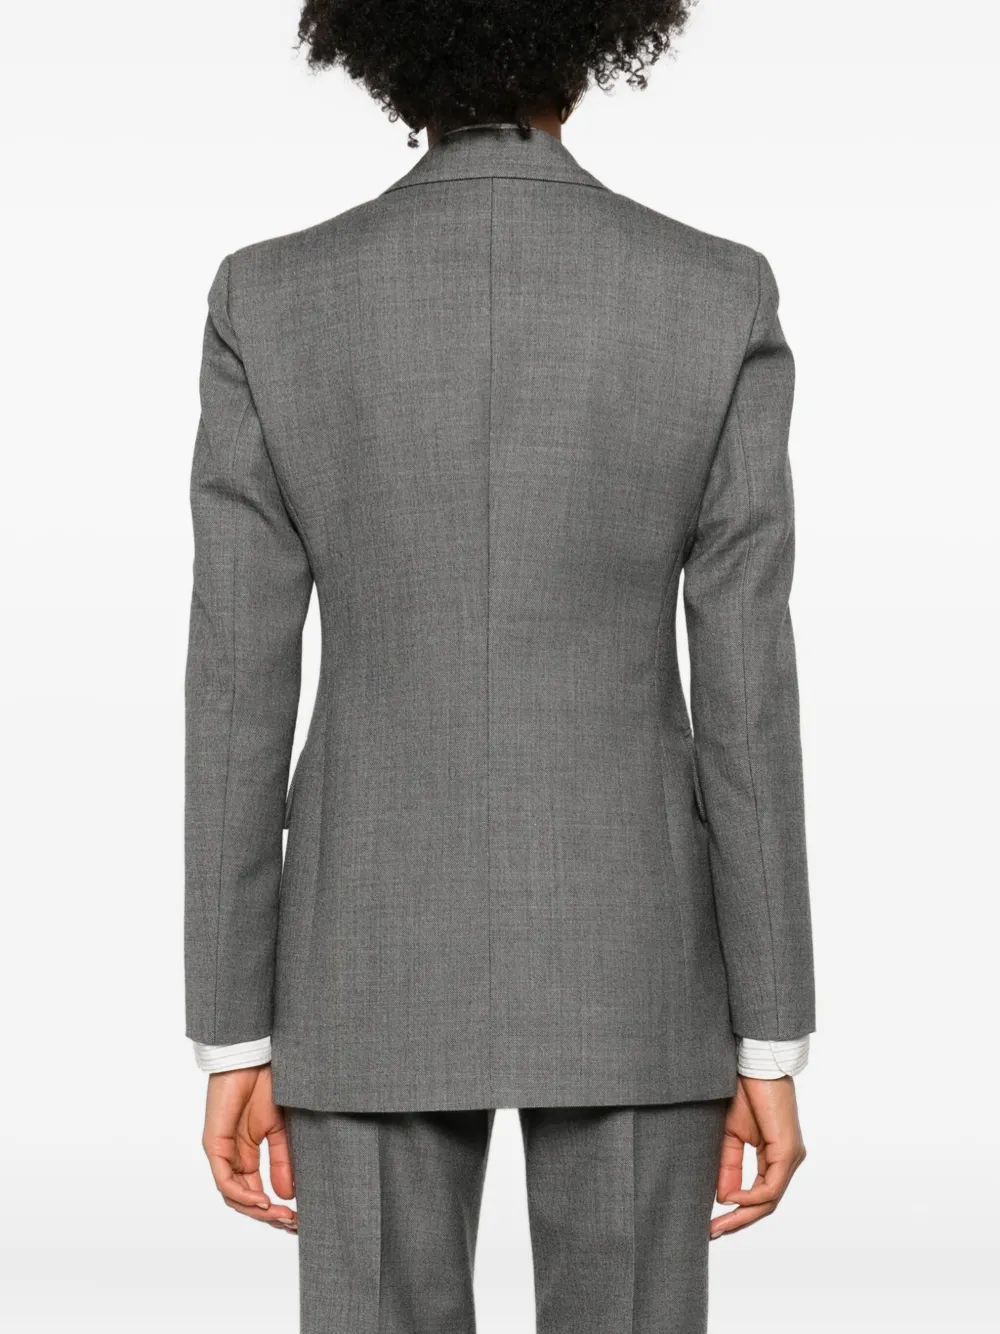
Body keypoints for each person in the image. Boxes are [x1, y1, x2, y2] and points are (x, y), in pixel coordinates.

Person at [184, 4, 814, 1330]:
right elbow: (747, 693)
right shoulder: (714, 292)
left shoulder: (271, 298)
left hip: (359, 956)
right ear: (596, 42)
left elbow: (237, 686)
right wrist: (770, 1028)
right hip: (637, 959)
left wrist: (234, 1024)